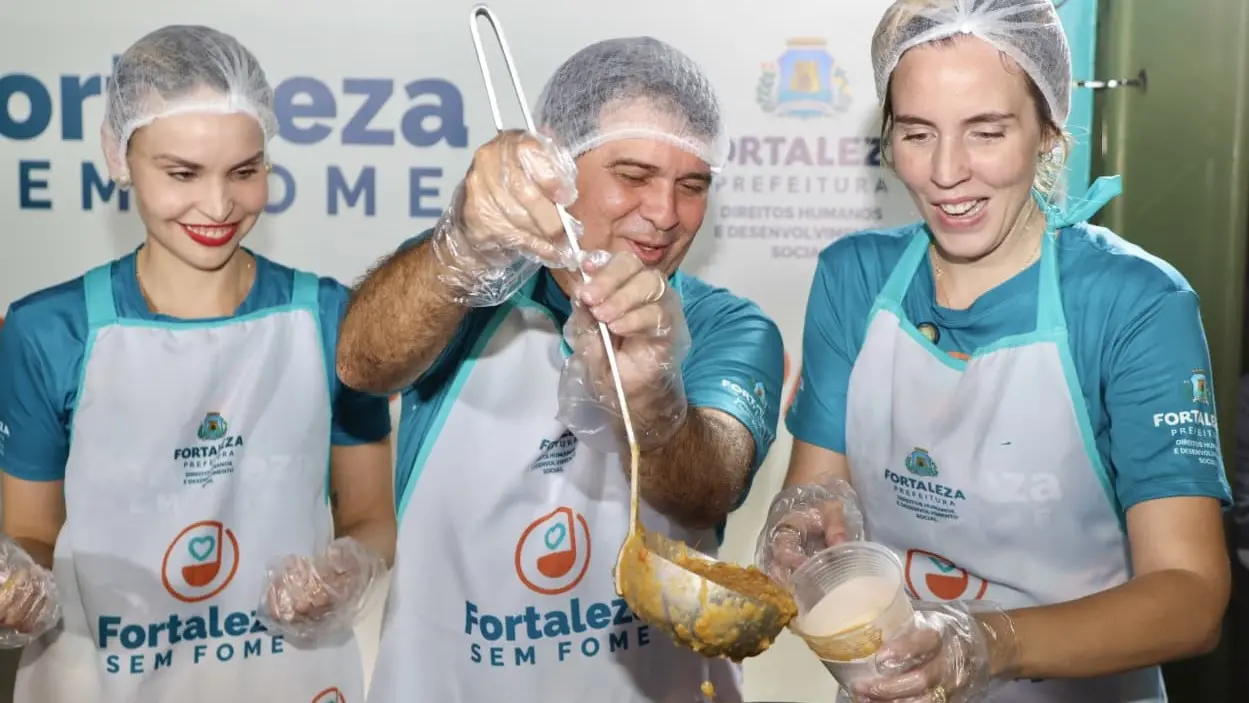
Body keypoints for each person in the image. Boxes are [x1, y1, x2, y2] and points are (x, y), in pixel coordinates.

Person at [755, 1, 1231, 701]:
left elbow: (1190, 595)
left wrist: (985, 640)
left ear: (1046, 130)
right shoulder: (854, 278)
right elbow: (823, 482)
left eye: (986, 131)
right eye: (917, 133)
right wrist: (804, 520)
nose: (945, 172)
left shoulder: (1132, 303)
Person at [337, 36, 785, 703]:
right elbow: (362, 362)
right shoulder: (463, 293)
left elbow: (709, 487)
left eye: (691, 186)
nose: (664, 214)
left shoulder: (729, 325)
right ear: (558, 167)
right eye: (633, 176)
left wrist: (655, 400)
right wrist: (463, 244)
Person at [0, 25, 396, 702]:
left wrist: (348, 568)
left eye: (245, 171)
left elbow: (370, 513)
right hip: (97, 675)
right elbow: (32, 527)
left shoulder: (332, 318)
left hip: (286, 676)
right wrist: (20, 586)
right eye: (181, 173)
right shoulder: (48, 331)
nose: (217, 206)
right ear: (117, 156)